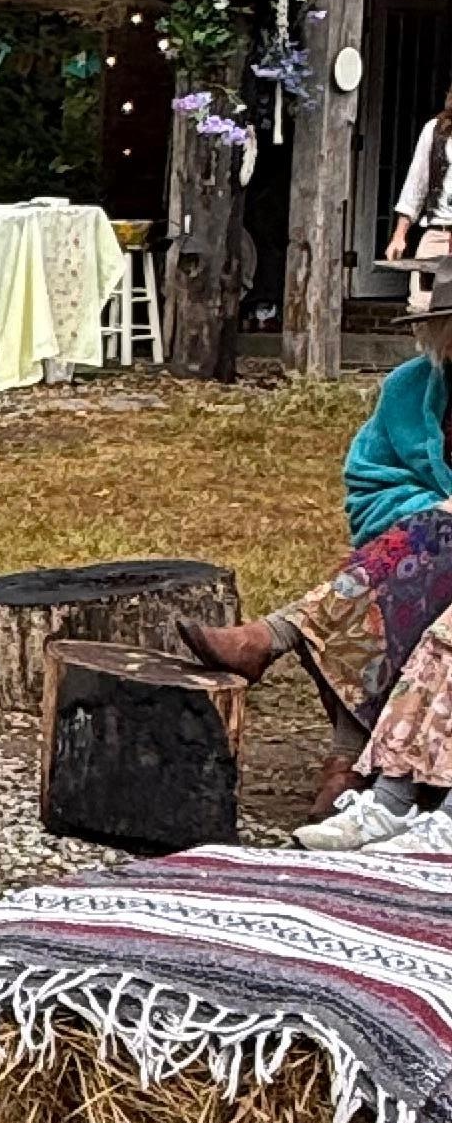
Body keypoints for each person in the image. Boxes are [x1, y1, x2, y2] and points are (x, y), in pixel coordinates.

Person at [184, 309, 452, 845]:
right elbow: (369, 488)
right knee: (416, 562)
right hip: (424, 554)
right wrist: (435, 513)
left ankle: (280, 644)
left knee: (413, 563)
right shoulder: (409, 388)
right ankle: (358, 765)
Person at [391, 76, 452, 317]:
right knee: (424, 310)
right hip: (438, 234)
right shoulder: (435, 130)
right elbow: (416, 184)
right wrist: (399, 235)